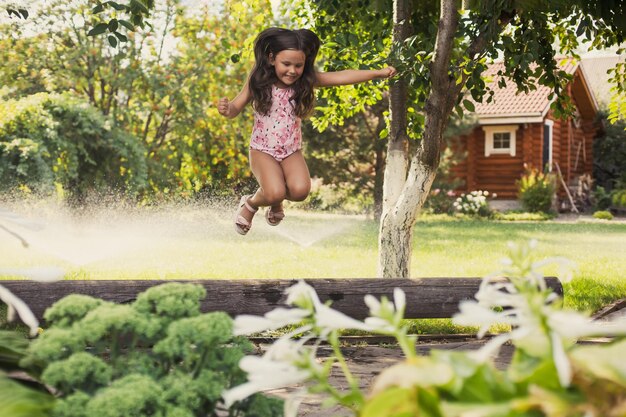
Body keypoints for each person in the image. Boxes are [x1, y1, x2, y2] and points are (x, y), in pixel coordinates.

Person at [218, 27, 396, 235]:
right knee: (275, 192)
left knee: (300, 191)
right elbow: (234, 109)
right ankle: (250, 204)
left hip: (291, 151)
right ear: (271, 58)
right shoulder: (258, 81)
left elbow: (341, 77)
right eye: (286, 64)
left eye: (298, 65)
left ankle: (276, 201)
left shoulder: (305, 82)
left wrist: (378, 73)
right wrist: (226, 108)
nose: (292, 71)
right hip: (262, 150)